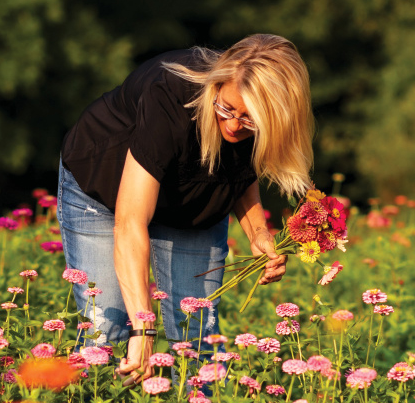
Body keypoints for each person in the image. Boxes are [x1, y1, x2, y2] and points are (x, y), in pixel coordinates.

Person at [57, 33, 314, 383]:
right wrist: (144, 330)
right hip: (105, 189)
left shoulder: (260, 119)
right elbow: (130, 221)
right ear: (216, 87)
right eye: (226, 109)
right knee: (107, 329)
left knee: (196, 335)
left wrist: (257, 232)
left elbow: (240, 169)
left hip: (192, 207)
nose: (235, 125)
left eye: (250, 120)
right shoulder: (170, 95)